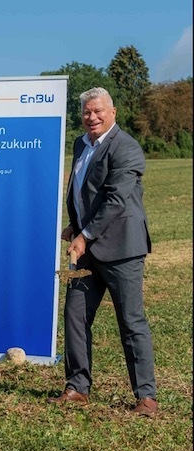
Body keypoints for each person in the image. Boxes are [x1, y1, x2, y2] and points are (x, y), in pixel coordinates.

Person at [49, 87, 158, 416]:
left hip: (122, 248)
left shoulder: (127, 148)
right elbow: (83, 191)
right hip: (85, 250)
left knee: (131, 321)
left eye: (98, 111)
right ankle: (77, 387)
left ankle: (146, 396)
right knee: (76, 315)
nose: (92, 117)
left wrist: (85, 234)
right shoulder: (81, 143)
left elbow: (115, 200)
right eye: (86, 112)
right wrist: (74, 224)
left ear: (113, 113)